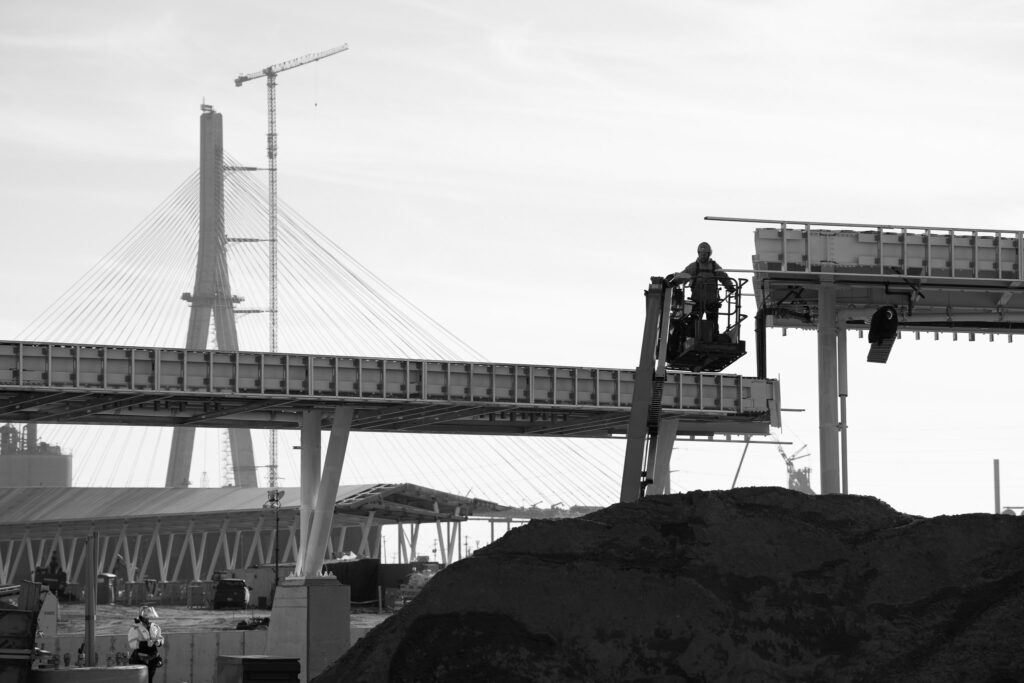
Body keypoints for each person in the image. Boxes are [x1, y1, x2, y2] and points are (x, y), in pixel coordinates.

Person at [666, 241, 735, 335]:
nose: (703, 256)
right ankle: (693, 337)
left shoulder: (714, 266)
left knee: (713, 324)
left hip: (712, 301)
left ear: (709, 254)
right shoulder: (694, 266)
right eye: (701, 254)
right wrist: (674, 282)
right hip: (697, 300)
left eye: (705, 254)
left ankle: (713, 338)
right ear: (698, 253)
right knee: (694, 323)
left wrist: (730, 286)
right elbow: (684, 275)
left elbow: (723, 277)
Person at [128, 605, 164, 682]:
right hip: (141, 659)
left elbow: (160, 637)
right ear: (142, 616)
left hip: (153, 658)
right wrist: (144, 644)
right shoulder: (135, 628)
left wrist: (158, 642)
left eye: (148, 617)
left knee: (150, 679)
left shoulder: (154, 627)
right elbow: (132, 643)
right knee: (142, 680)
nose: (147, 619)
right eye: (146, 617)